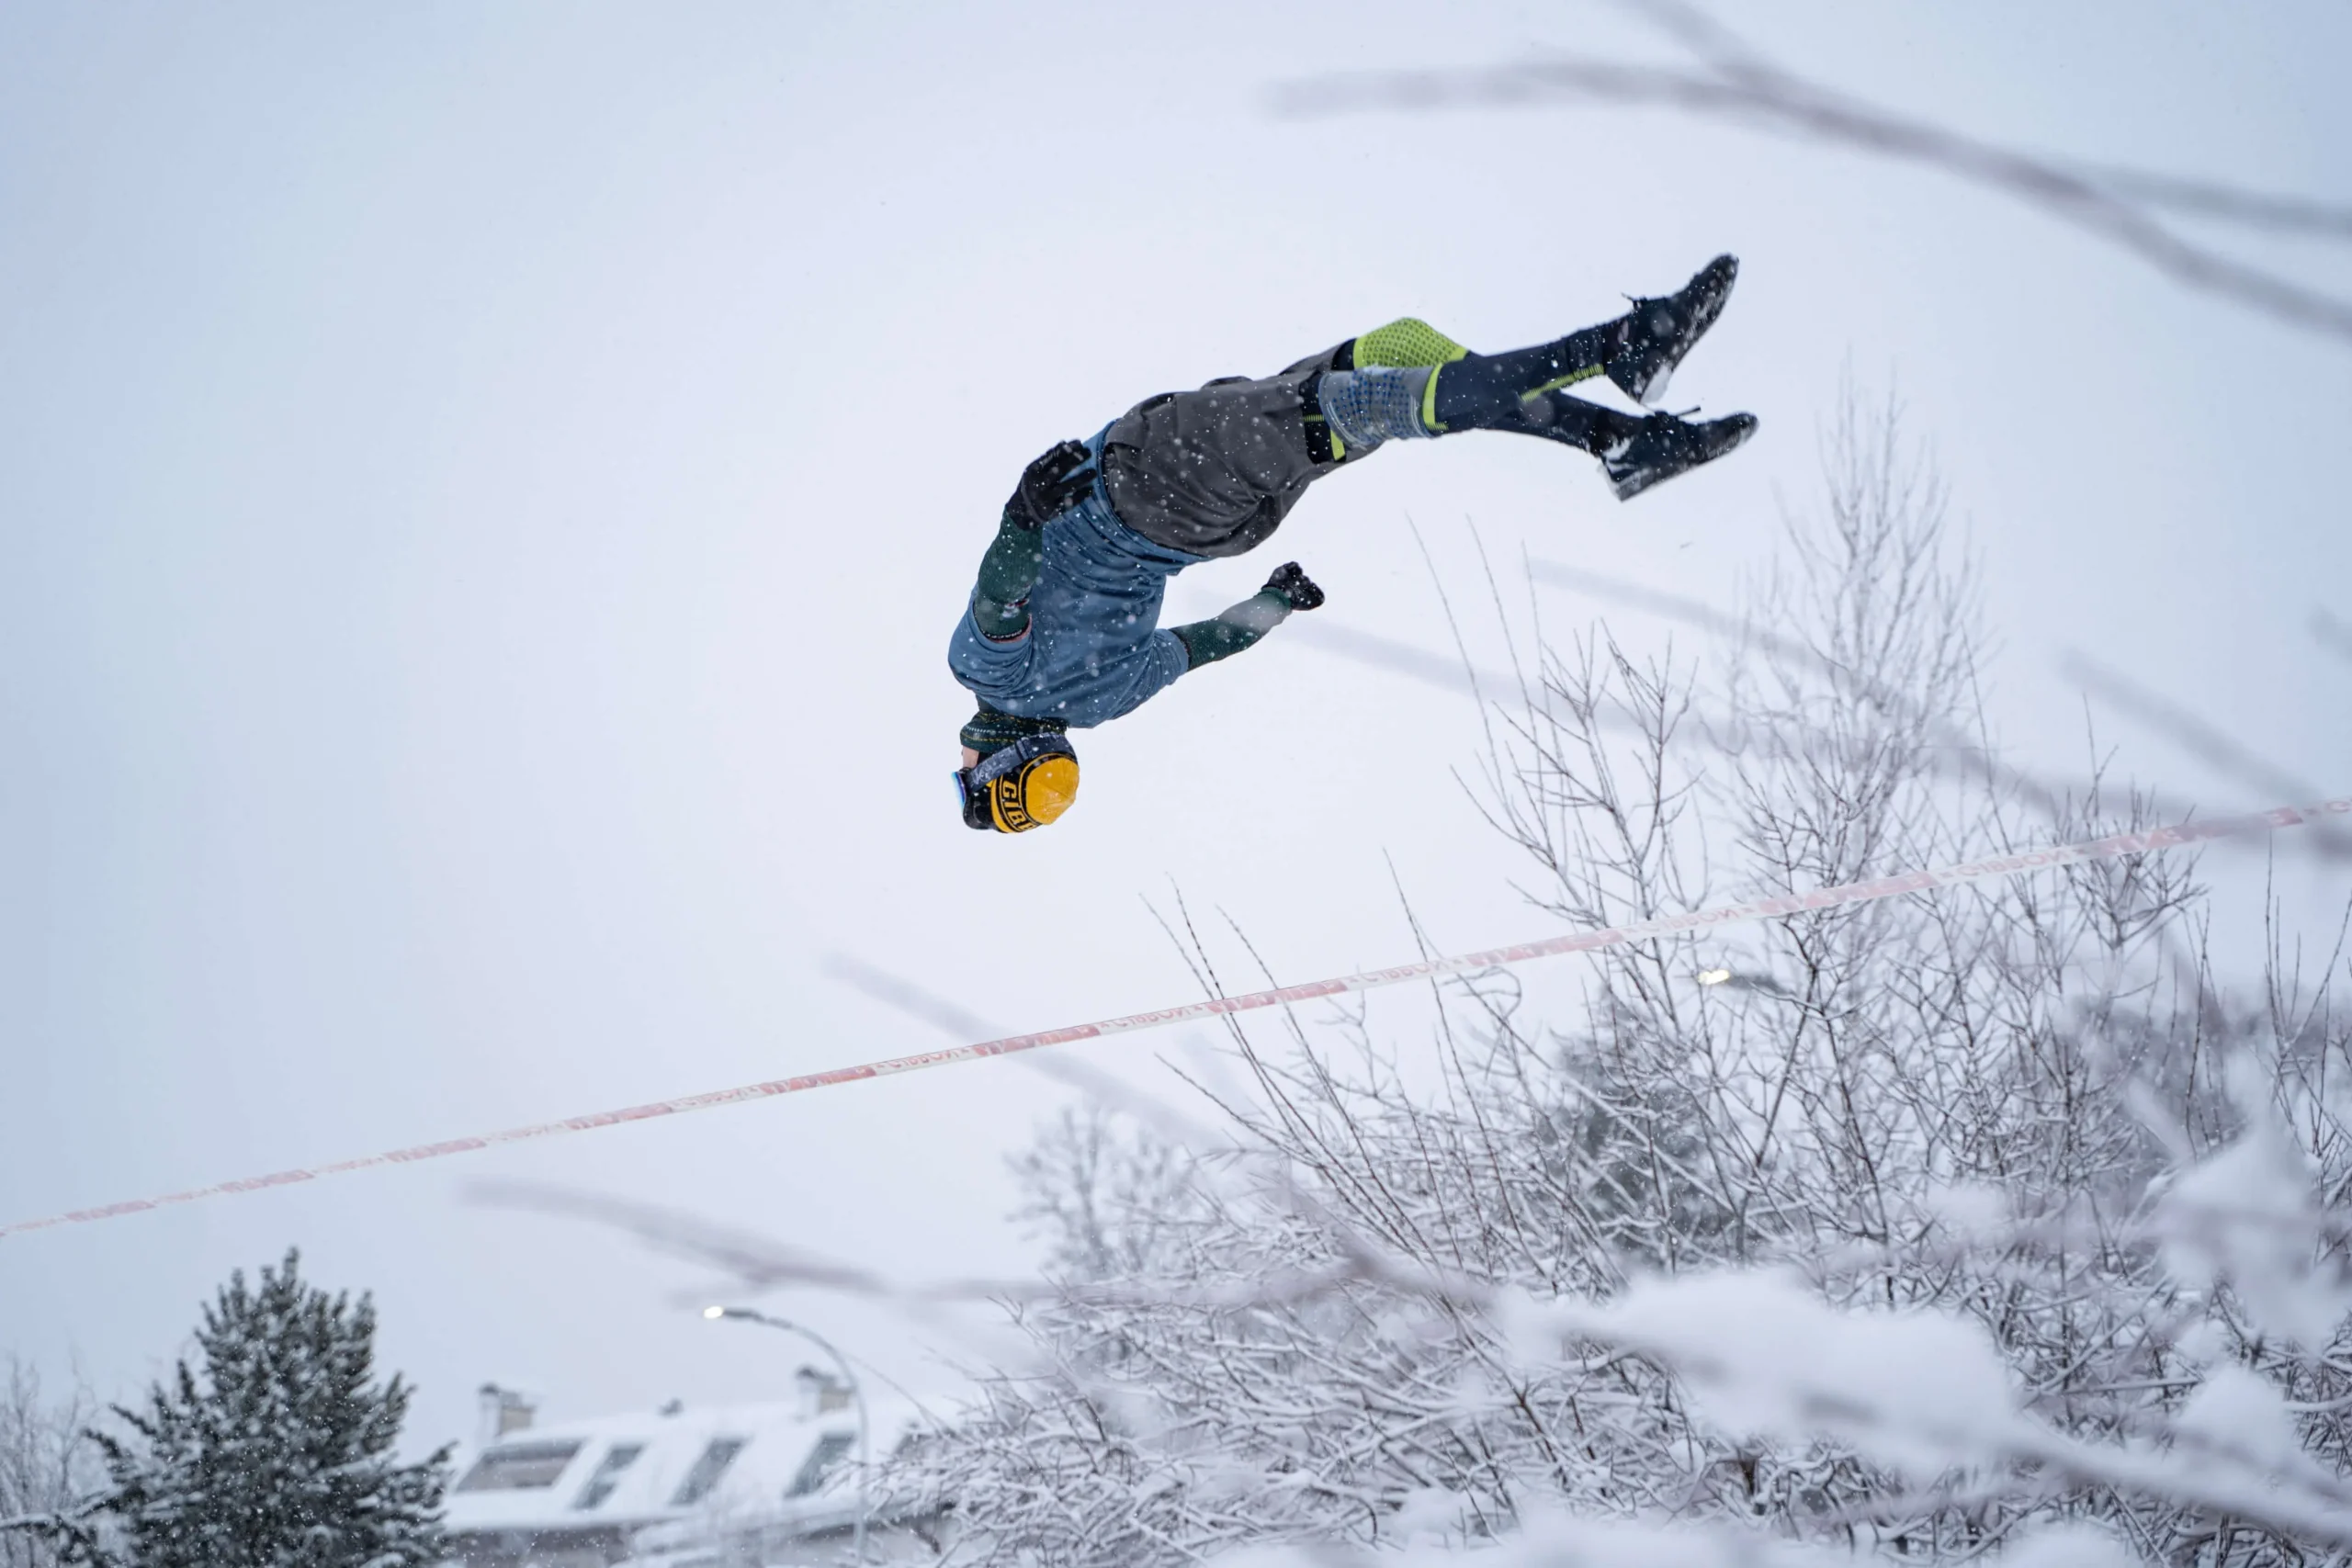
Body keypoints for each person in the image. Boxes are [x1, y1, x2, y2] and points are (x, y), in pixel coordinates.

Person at [948, 255, 1757, 834]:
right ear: (995, 766)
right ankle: (1621, 343)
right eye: (965, 777)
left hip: (1217, 522)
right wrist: (1024, 511)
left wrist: (1277, 601)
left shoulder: (1102, 702)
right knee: (1369, 402)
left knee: (1393, 354)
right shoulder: (988, 673)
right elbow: (1000, 591)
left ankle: (1617, 439)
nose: (959, 760)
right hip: (1156, 477)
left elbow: (1215, 641)